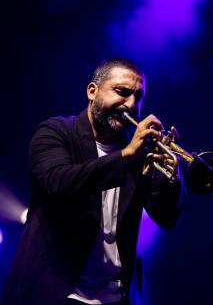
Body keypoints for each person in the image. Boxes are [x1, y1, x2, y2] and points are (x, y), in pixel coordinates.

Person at [3, 58, 185, 305]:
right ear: (92, 91)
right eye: (122, 92)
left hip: (117, 297)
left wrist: (171, 178)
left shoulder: (139, 150)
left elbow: (166, 218)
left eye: (138, 97)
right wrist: (127, 155)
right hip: (60, 293)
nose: (131, 104)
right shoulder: (55, 132)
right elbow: (58, 183)